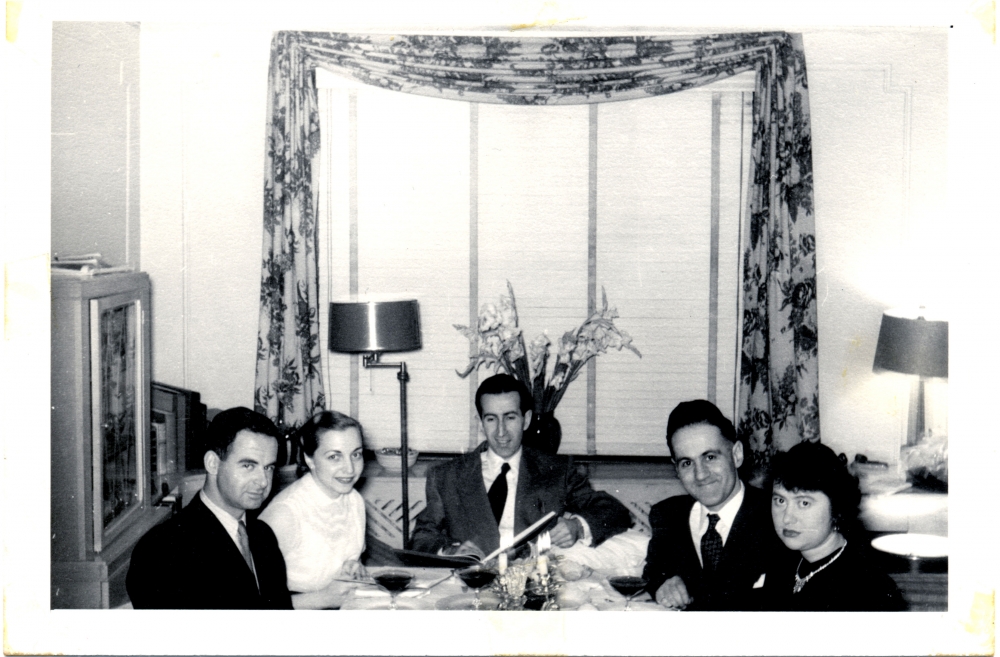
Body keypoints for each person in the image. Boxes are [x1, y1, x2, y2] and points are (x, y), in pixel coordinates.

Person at [411, 374, 632, 557]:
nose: (501, 432)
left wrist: (577, 527)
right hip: (472, 586)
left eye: (509, 418)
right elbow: (422, 537)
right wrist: (451, 551)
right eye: (491, 419)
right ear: (480, 423)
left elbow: (615, 512)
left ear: (525, 420)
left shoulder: (557, 470)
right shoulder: (447, 476)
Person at [126, 407, 292, 609]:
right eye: (248, 466)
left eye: (268, 467)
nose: (263, 481)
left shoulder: (262, 536)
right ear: (212, 463)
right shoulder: (162, 549)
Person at [642, 399, 785, 611]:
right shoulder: (668, 515)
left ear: (736, 454)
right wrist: (664, 584)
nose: (700, 475)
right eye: (687, 463)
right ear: (676, 469)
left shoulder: (777, 515)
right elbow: (654, 571)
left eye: (710, 457)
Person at [760, 441, 906, 611]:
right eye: (780, 500)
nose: (787, 518)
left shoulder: (869, 589)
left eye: (804, 503)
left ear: (837, 508)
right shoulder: (781, 562)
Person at [259, 411, 368, 609]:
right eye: (335, 457)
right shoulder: (285, 513)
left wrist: (351, 567)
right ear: (309, 459)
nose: (350, 469)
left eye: (356, 454)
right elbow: (248, 602)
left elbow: (343, 560)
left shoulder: (354, 500)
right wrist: (324, 598)